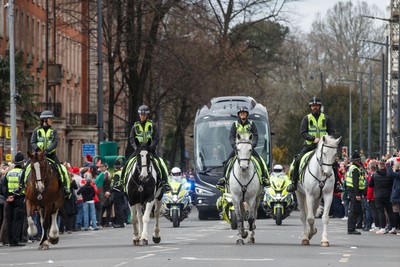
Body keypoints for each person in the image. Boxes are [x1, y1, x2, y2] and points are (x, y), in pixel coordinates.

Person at [288, 97, 338, 192]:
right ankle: (293, 183)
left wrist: (326, 139)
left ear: (319, 106)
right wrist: (313, 139)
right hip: (310, 146)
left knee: (334, 163)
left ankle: (336, 185)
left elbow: (331, 132)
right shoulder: (306, 118)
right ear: (310, 107)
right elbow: (303, 132)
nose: (315, 107)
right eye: (313, 106)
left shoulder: (326, 118)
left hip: (324, 147)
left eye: (316, 105)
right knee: (298, 160)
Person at [17, 110, 70, 196]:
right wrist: (37, 149)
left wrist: (46, 151)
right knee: (26, 167)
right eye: (50, 119)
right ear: (44, 120)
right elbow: (33, 141)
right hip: (38, 155)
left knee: (60, 168)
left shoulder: (53, 131)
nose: (52, 120)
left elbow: (55, 142)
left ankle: (64, 187)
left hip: (50, 154)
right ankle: (20, 186)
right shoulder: (36, 131)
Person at [216, 106, 270, 190]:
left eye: (244, 113)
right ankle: (223, 179)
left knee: (259, 160)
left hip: (249, 146)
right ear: (239, 115)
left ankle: (264, 178)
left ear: (246, 114)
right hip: (238, 147)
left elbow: (255, 134)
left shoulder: (251, 124)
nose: (242, 115)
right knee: (228, 161)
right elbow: (231, 136)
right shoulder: (235, 124)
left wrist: (254, 144)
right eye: (241, 113)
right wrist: (233, 145)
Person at [127, 105, 171, 192]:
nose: (142, 116)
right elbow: (131, 139)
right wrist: (135, 147)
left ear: (147, 115)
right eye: (141, 115)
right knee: (127, 164)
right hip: (138, 150)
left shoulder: (152, 125)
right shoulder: (135, 126)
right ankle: (121, 183)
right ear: (139, 115)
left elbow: (156, 138)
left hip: (150, 150)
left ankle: (165, 183)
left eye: (144, 115)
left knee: (160, 163)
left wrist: (152, 147)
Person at [3, 152, 26, 246]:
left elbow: (4, 186)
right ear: (22, 163)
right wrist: (15, 196)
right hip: (19, 198)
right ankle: (16, 240)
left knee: (10, 220)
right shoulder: (22, 173)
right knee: (18, 219)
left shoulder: (8, 173)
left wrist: (7, 196)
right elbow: (23, 187)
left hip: (9, 199)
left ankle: (10, 240)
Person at [346, 150, 366, 235]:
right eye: (358, 160)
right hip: (355, 192)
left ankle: (351, 228)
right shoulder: (355, 169)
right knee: (354, 211)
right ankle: (351, 229)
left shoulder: (353, 168)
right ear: (356, 161)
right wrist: (358, 194)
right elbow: (356, 183)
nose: (359, 162)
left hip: (352, 192)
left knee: (354, 210)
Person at [108, 159, 125, 228]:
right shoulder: (122, 172)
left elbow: (116, 183)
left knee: (118, 208)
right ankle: (121, 222)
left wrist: (110, 191)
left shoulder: (117, 174)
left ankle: (120, 223)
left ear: (115, 166)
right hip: (122, 191)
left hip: (117, 191)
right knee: (120, 207)